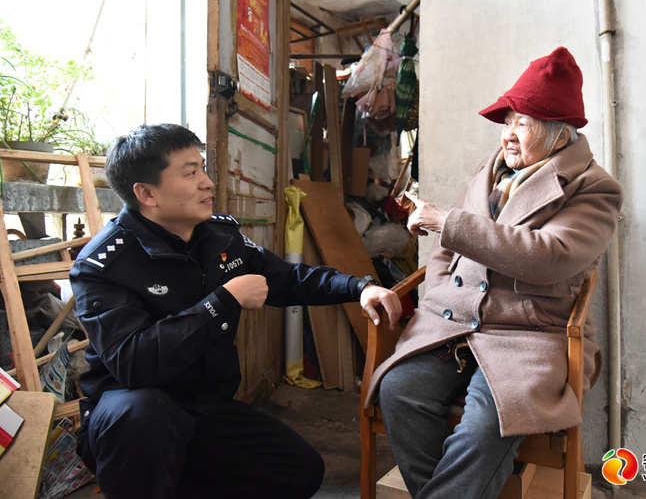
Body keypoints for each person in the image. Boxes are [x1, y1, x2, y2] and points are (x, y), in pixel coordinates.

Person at [69, 123, 401, 499]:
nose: (208, 183)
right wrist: (222, 301)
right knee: (143, 413)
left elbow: (288, 278)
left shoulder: (218, 237)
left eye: (203, 168)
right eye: (190, 173)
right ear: (146, 193)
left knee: (299, 471)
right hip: (131, 419)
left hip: (204, 407)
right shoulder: (104, 265)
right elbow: (134, 364)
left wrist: (358, 287)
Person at [363, 47, 623, 498]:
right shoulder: (492, 171)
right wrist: (440, 295)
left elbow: (549, 256)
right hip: (454, 324)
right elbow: (445, 250)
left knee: (487, 425)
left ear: (560, 134)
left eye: (523, 123)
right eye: (507, 123)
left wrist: (447, 221)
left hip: (527, 335)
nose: (508, 136)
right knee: (399, 390)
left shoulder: (594, 189)